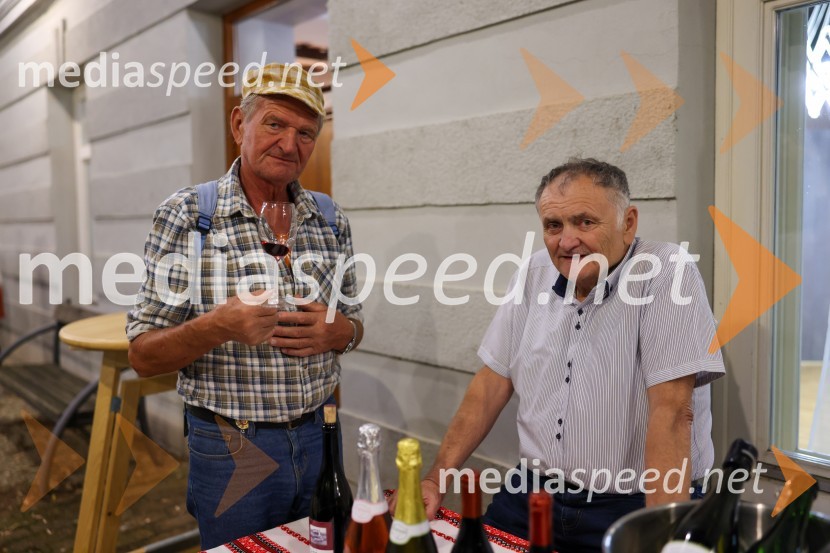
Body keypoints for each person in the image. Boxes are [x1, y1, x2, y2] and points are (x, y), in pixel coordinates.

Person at [416, 158, 724, 553]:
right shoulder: (532, 274)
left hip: (628, 504)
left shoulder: (667, 273)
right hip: (532, 493)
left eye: (585, 222)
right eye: (553, 225)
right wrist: (435, 478)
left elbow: (672, 413)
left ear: (628, 222)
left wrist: (662, 535)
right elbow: (491, 383)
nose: (566, 241)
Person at [127, 63, 363, 549]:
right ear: (240, 125)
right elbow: (143, 355)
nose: (289, 144)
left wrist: (342, 333)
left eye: (305, 133)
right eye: (274, 124)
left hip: (322, 435)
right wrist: (218, 325)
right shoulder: (191, 216)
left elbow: (354, 323)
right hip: (233, 449)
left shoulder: (327, 217)